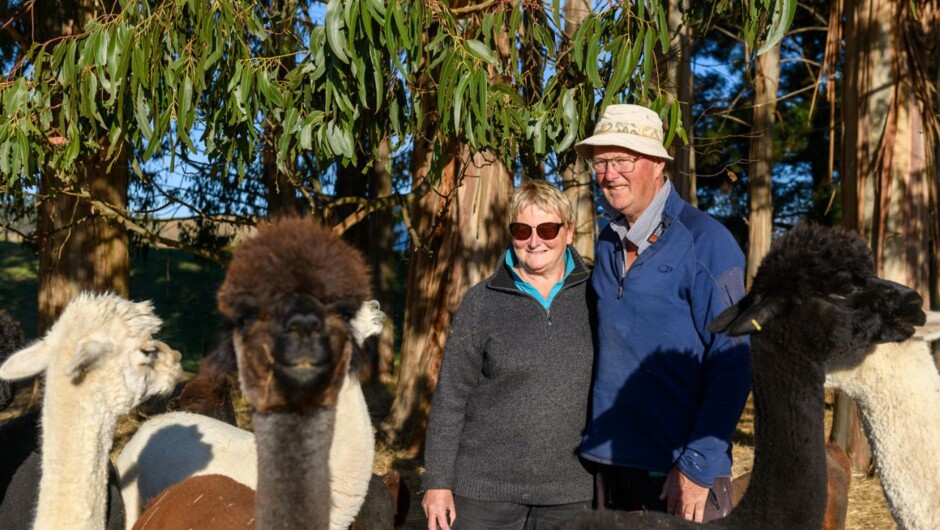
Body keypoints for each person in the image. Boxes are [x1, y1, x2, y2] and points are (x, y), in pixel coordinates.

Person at [575, 104, 751, 522]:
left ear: (656, 163)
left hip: (678, 473)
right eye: (601, 163)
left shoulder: (707, 243)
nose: (609, 174)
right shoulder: (606, 242)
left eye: (622, 160)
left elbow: (734, 361)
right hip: (610, 464)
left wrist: (698, 464)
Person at [421, 180, 594, 530]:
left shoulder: (596, 297)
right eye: (522, 230)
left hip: (570, 492)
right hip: (483, 493)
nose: (534, 241)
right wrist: (437, 482)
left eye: (547, 229)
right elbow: (450, 398)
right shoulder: (481, 302)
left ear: (569, 232)